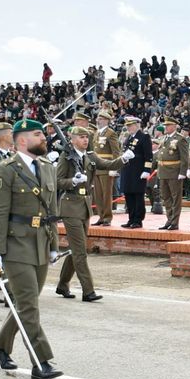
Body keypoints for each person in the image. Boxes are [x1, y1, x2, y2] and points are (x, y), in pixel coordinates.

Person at [0, 119, 65, 379]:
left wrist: (53, 245)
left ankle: (0, 347)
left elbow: (51, 211)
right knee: (29, 304)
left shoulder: (47, 168)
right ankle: (41, 362)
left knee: (24, 302)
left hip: (40, 241)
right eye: (38, 134)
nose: (44, 137)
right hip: (15, 244)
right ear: (21, 140)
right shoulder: (5, 170)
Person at [56, 125, 124, 300]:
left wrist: (124, 159)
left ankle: (63, 285)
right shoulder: (66, 157)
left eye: (87, 137)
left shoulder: (90, 156)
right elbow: (58, 181)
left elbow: (107, 164)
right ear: (72, 139)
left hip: (85, 206)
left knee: (76, 249)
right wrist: (73, 181)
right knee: (80, 251)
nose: (85, 140)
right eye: (81, 137)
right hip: (70, 206)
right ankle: (88, 291)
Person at [153, 117, 189, 231]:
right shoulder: (164, 138)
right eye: (165, 125)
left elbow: (184, 157)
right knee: (166, 197)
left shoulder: (180, 139)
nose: (166, 127)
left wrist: (183, 172)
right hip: (163, 171)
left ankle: (174, 221)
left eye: (168, 125)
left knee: (175, 198)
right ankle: (169, 219)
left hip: (174, 171)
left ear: (174, 126)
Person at [119, 116, 153, 229]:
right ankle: (131, 218)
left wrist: (147, 170)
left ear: (137, 125)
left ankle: (138, 220)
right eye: (128, 126)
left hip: (138, 171)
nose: (129, 128)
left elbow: (148, 156)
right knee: (129, 195)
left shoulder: (144, 137)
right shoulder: (128, 138)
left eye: (131, 125)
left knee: (138, 195)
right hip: (128, 170)